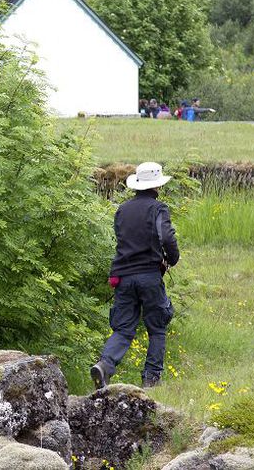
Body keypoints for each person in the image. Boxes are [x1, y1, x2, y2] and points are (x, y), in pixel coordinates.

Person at [91, 162, 180, 389]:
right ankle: (151, 379)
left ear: (137, 185)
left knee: (123, 328)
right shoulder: (158, 209)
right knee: (157, 327)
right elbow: (167, 238)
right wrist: (172, 259)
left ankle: (104, 366)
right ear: (157, 186)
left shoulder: (122, 210)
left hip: (123, 276)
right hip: (149, 275)